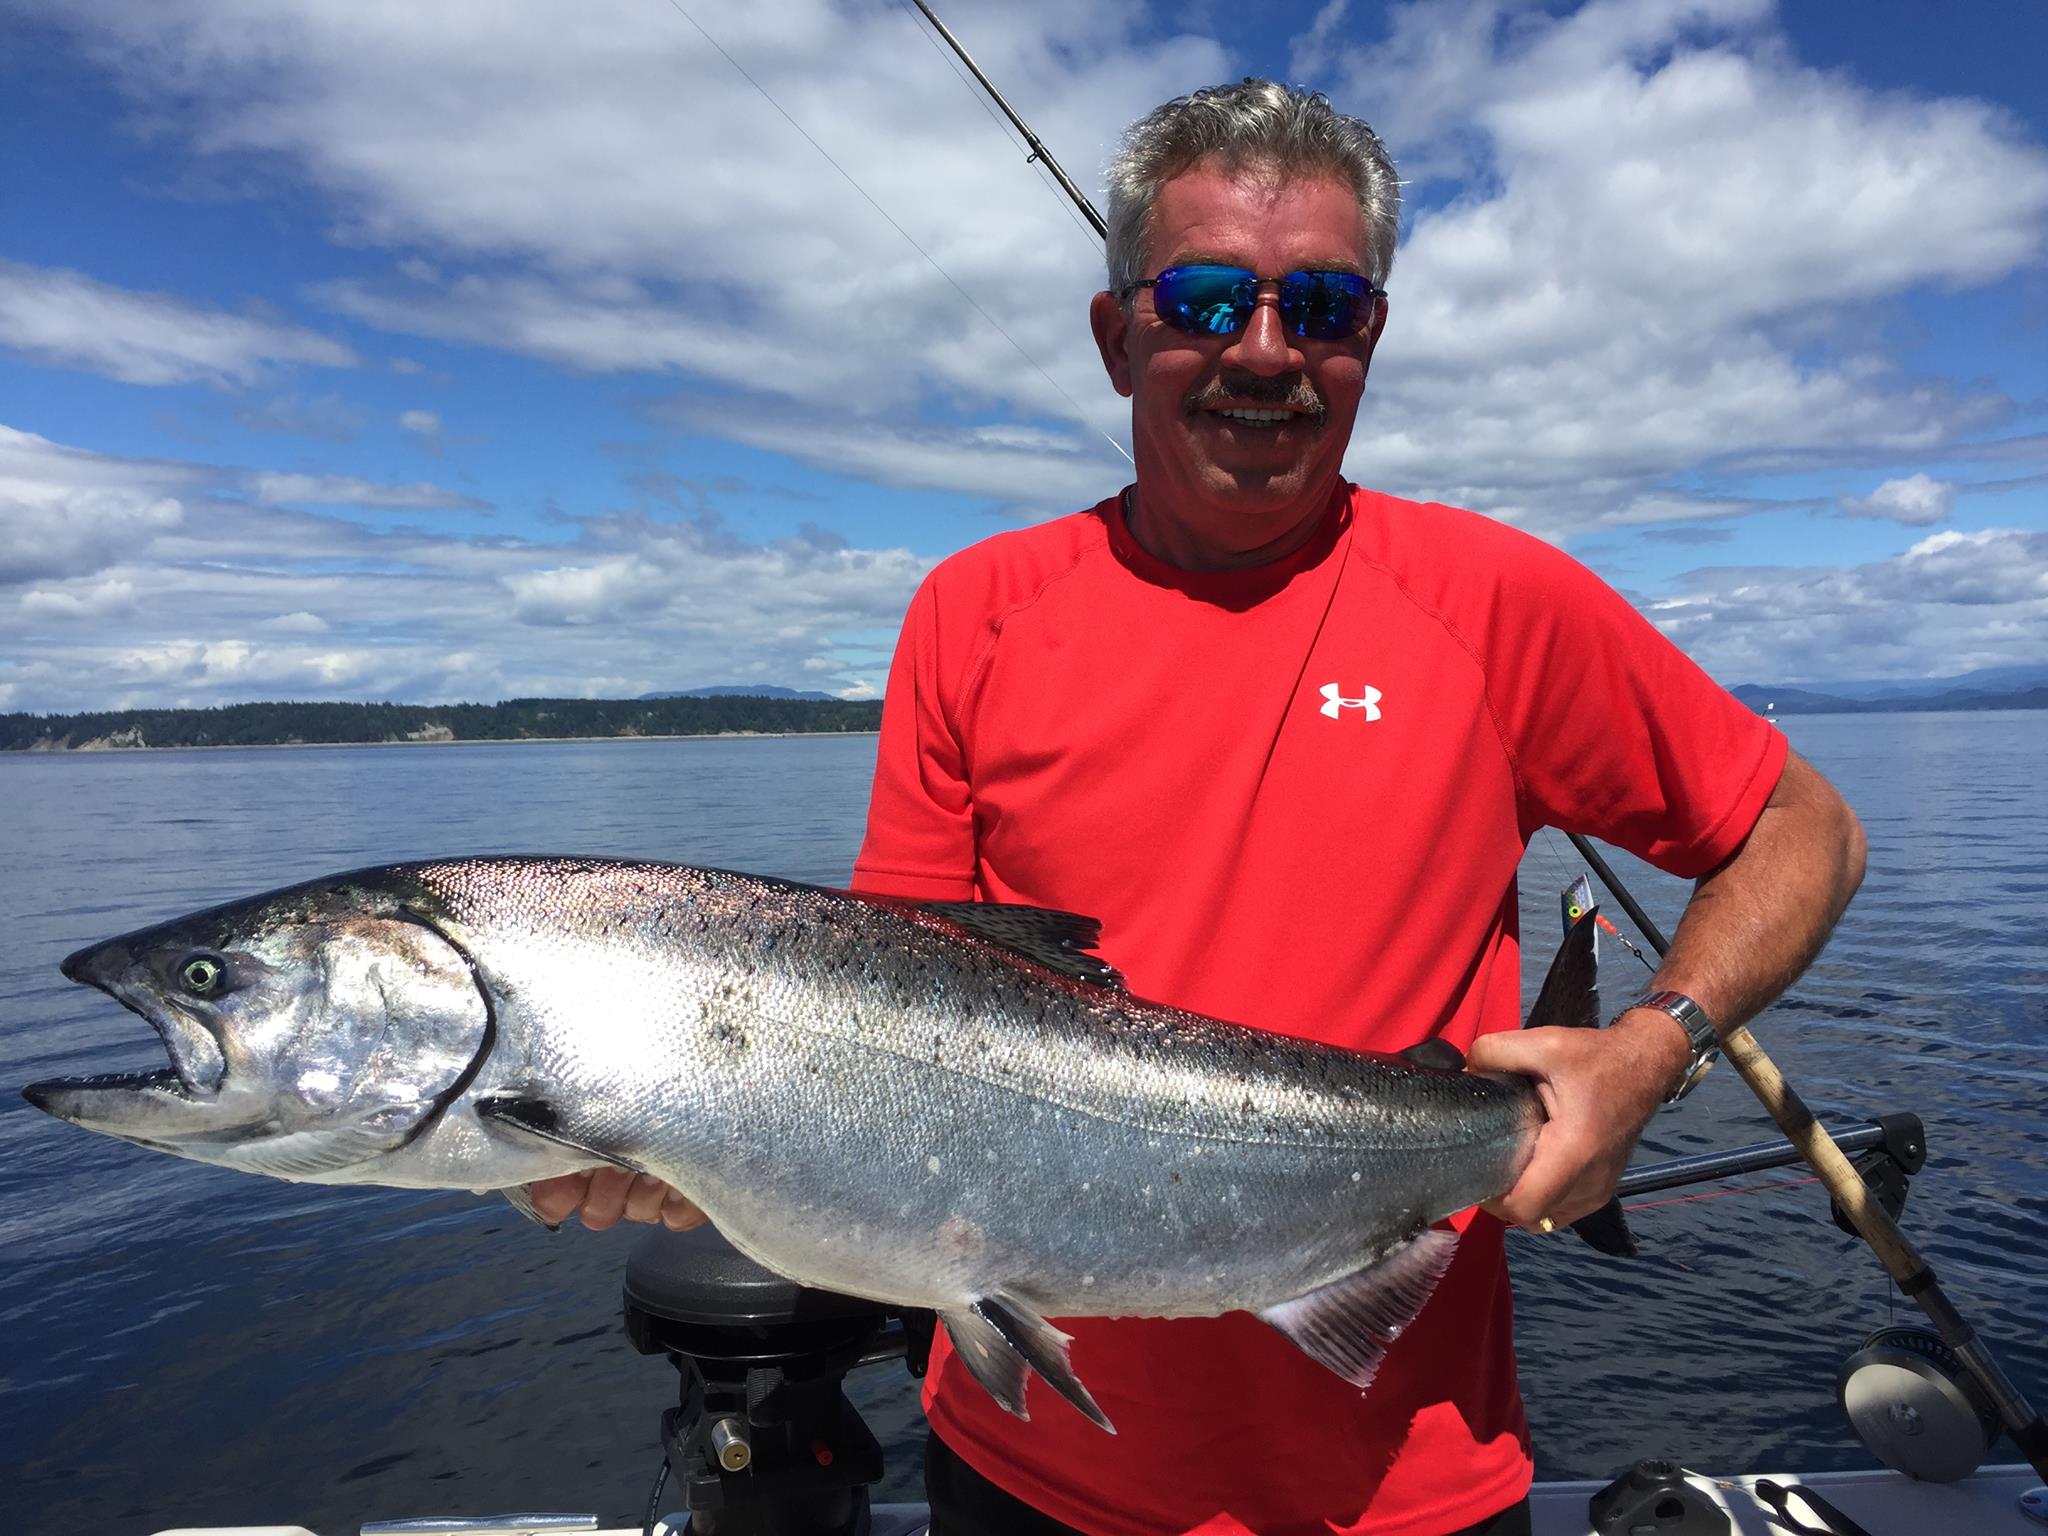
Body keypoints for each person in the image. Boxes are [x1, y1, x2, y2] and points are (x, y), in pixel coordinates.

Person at [535, 80, 1866, 1536]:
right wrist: (691, 1146)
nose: (1267, 351)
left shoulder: (1497, 602)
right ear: (1119, 338)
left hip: (1404, 1486)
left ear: (1372, 339)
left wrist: (1650, 1051)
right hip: (1030, 1467)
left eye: (1326, 307)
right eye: (1210, 298)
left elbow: (1801, 830)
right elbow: (888, 1032)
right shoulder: (974, 614)